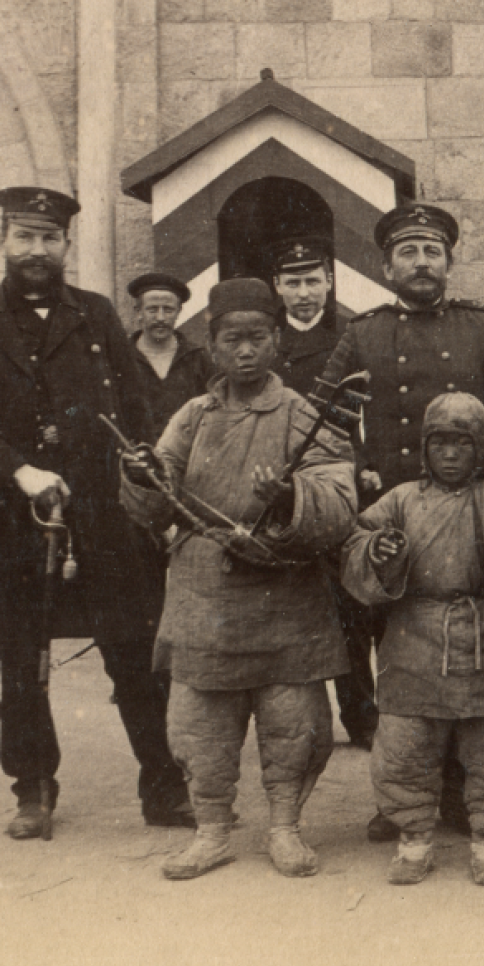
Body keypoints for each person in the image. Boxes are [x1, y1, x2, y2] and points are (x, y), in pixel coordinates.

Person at [321, 203, 484, 842]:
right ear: (386, 264)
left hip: (466, 520)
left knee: (461, 655)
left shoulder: (480, 328)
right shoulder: (361, 334)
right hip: (389, 519)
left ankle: (459, 793)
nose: (422, 263)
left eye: (433, 252)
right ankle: (405, 794)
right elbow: (323, 424)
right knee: (397, 665)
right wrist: (354, 470)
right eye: (409, 253)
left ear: (448, 262)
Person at [0, 187, 191, 838]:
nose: (36, 250)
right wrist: (18, 469)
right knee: (23, 661)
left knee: (133, 650)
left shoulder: (96, 317)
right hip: (11, 516)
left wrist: (150, 487)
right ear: (1, 241)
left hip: (102, 512)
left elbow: (135, 411)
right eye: (24, 237)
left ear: (66, 245)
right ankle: (33, 787)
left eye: (49, 238)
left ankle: (163, 784)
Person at [120, 277, 357, 880]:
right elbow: (157, 503)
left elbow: (338, 500)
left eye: (257, 337)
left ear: (277, 341)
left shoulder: (305, 415)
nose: (245, 350)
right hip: (205, 597)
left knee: (293, 724)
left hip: (287, 599)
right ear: (212, 344)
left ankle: (285, 827)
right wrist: (143, 477)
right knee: (200, 728)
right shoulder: (192, 416)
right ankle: (212, 830)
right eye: (232, 339)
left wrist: (289, 500)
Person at [342, 392, 484, 886]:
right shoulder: (401, 500)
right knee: (405, 746)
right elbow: (356, 543)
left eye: (462, 444)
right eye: (439, 443)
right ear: (425, 449)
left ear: (481, 448)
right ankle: (414, 835)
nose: (449, 454)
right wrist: (379, 553)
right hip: (412, 637)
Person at [269, 235, 378, 752]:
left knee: (349, 606)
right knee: (290, 611)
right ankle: (300, 726)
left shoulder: (349, 341)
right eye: (293, 282)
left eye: (313, 281)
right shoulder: (267, 348)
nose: (304, 292)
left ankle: (362, 714)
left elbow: (367, 421)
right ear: (278, 288)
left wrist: (365, 468)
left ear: (330, 282)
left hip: (338, 489)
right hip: (282, 492)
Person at [128, 272, 213, 440]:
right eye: (152, 309)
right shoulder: (121, 358)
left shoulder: (198, 358)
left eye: (168, 310)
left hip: (186, 457)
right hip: (137, 458)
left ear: (178, 312)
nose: (160, 318)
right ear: (138, 312)